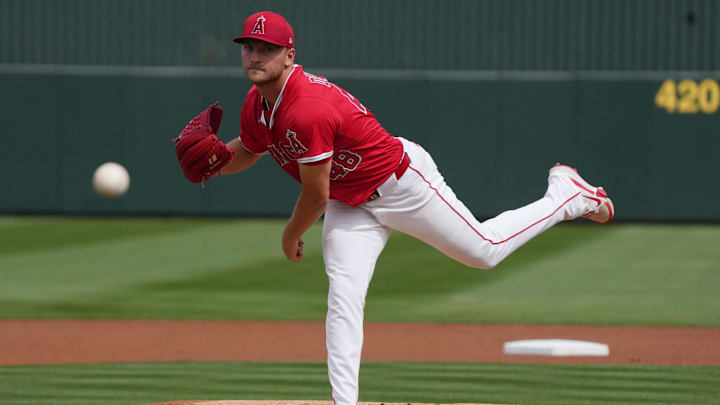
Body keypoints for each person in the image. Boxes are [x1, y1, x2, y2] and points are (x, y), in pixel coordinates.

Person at [178, 11, 614, 405]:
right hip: (350, 202)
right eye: (249, 47)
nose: (255, 55)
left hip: (402, 185)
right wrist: (218, 166)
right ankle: (343, 402)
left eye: (266, 49)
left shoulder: (306, 108)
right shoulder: (257, 104)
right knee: (344, 295)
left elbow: (314, 195)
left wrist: (290, 235)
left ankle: (565, 195)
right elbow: (252, 149)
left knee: (484, 251)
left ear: (289, 56)